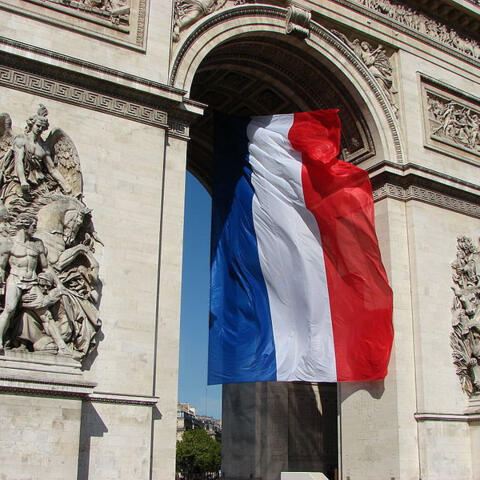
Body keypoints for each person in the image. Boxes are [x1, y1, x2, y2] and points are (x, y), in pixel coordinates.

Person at [0, 105, 71, 206]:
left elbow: (52, 169)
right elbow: (18, 162)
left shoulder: (44, 148)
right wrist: (23, 181)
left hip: (38, 184)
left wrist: (66, 185)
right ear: (32, 124)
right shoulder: (21, 140)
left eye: (42, 128)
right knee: (12, 206)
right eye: (38, 126)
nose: (40, 129)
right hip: (18, 180)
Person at [0, 213, 49, 352]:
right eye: (33, 226)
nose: (35, 229)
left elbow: (46, 267)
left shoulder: (37, 244)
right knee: (9, 310)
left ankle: (63, 347)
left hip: (32, 281)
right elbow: (2, 267)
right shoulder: (9, 243)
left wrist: (58, 284)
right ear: (24, 226)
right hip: (15, 279)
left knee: (45, 315)